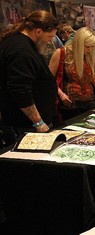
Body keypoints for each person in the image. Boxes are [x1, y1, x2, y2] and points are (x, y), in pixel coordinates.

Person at [0, 10, 59, 145]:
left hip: (30, 123)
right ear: (38, 31)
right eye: (50, 37)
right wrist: (38, 121)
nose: (50, 41)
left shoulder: (21, 43)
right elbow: (20, 89)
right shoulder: (20, 49)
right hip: (27, 125)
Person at [49, 27, 95, 120]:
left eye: (92, 46)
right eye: (87, 46)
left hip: (89, 103)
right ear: (78, 43)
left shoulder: (89, 55)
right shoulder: (61, 53)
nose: (89, 50)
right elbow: (49, 79)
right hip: (69, 105)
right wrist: (61, 94)